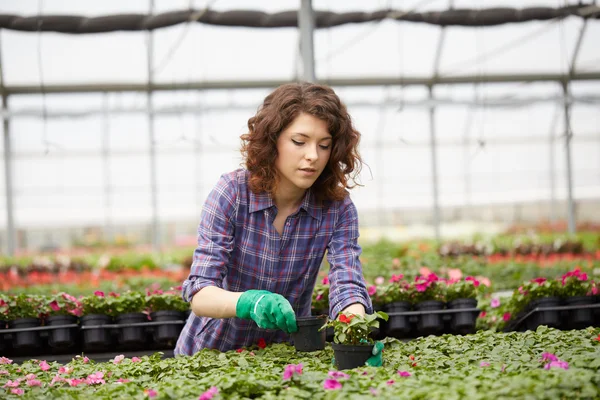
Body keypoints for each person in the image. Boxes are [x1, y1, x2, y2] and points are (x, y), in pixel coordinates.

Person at [175, 82, 382, 366]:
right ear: (273, 141)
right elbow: (200, 292)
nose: (313, 155)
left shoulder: (337, 208)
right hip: (209, 358)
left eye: (324, 145)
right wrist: (249, 302)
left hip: (284, 359)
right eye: (299, 142)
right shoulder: (233, 193)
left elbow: (346, 283)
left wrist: (356, 332)